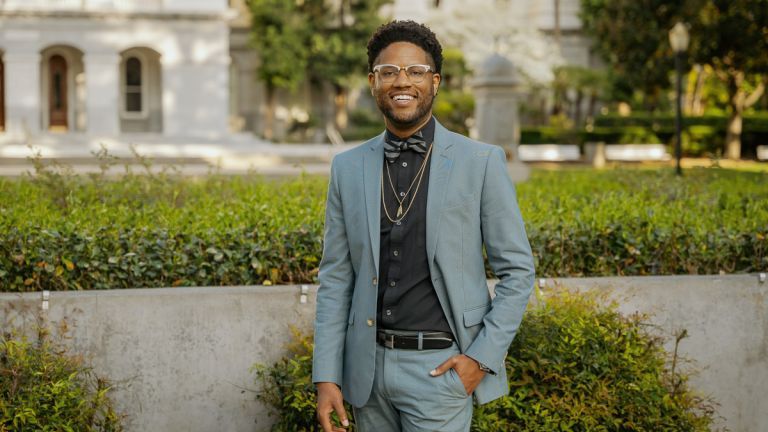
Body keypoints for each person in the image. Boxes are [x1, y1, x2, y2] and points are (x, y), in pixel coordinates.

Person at [312, 20, 535, 432]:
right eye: (389, 71)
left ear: (435, 82)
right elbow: (336, 277)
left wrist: (480, 360)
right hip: (367, 375)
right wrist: (327, 375)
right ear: (373, 81)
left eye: (415, 71)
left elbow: (517, 271)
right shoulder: (346, 167)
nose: (403, 81)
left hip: (441, 373)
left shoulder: (480, 162)